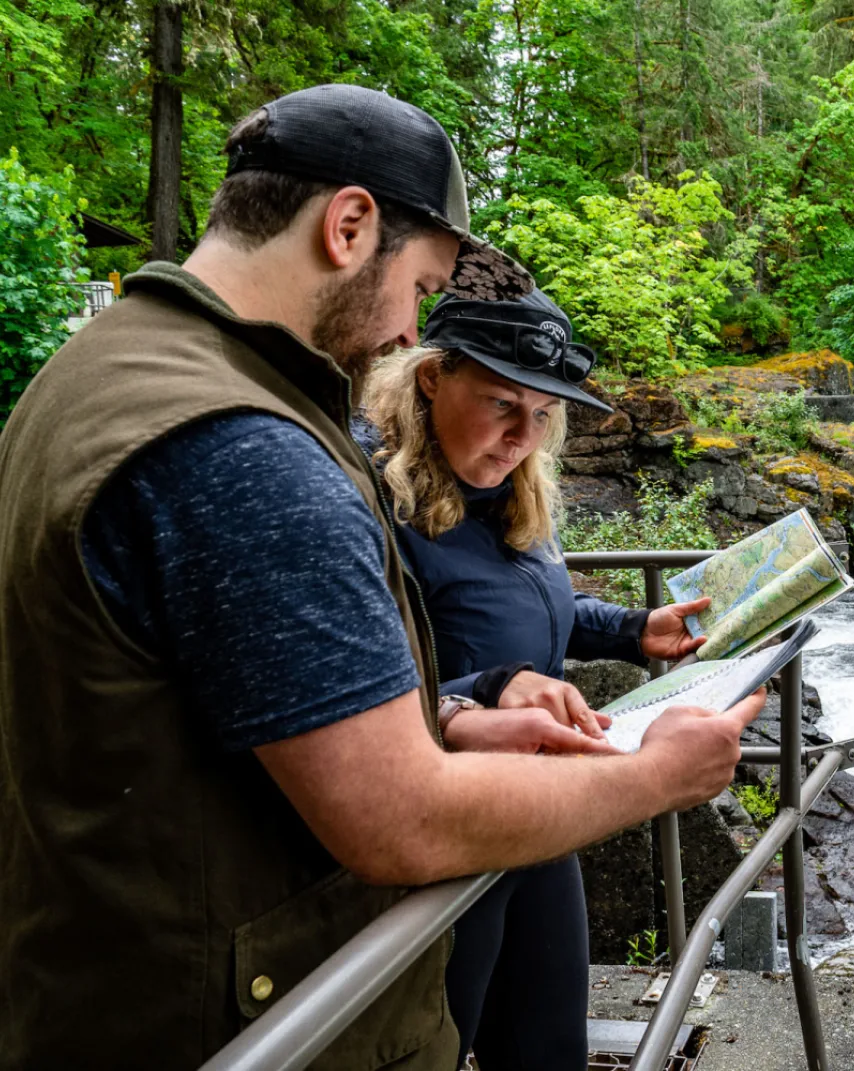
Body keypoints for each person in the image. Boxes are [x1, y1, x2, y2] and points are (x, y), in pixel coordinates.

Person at [0, 83, 761, 1071]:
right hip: (232, 1018)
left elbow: (217, 696)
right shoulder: (245, 449)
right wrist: (658, 775)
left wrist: (457, 716)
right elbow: (400, 820)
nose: (411, 333)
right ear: (350, 225)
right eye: (421, 286)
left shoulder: (94, 374)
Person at [357, 288, 712, 1067]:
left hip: (542, 818)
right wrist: (490, 684)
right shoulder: (369, 507)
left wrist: (629, 629)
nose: (524, 436)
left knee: (552, 1050)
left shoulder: (514, 490)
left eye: (544, 413)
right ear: (429, 378)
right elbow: (365, 690)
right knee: (430, 1050)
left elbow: (531, 610)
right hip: (445, 833)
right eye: (502, 405)